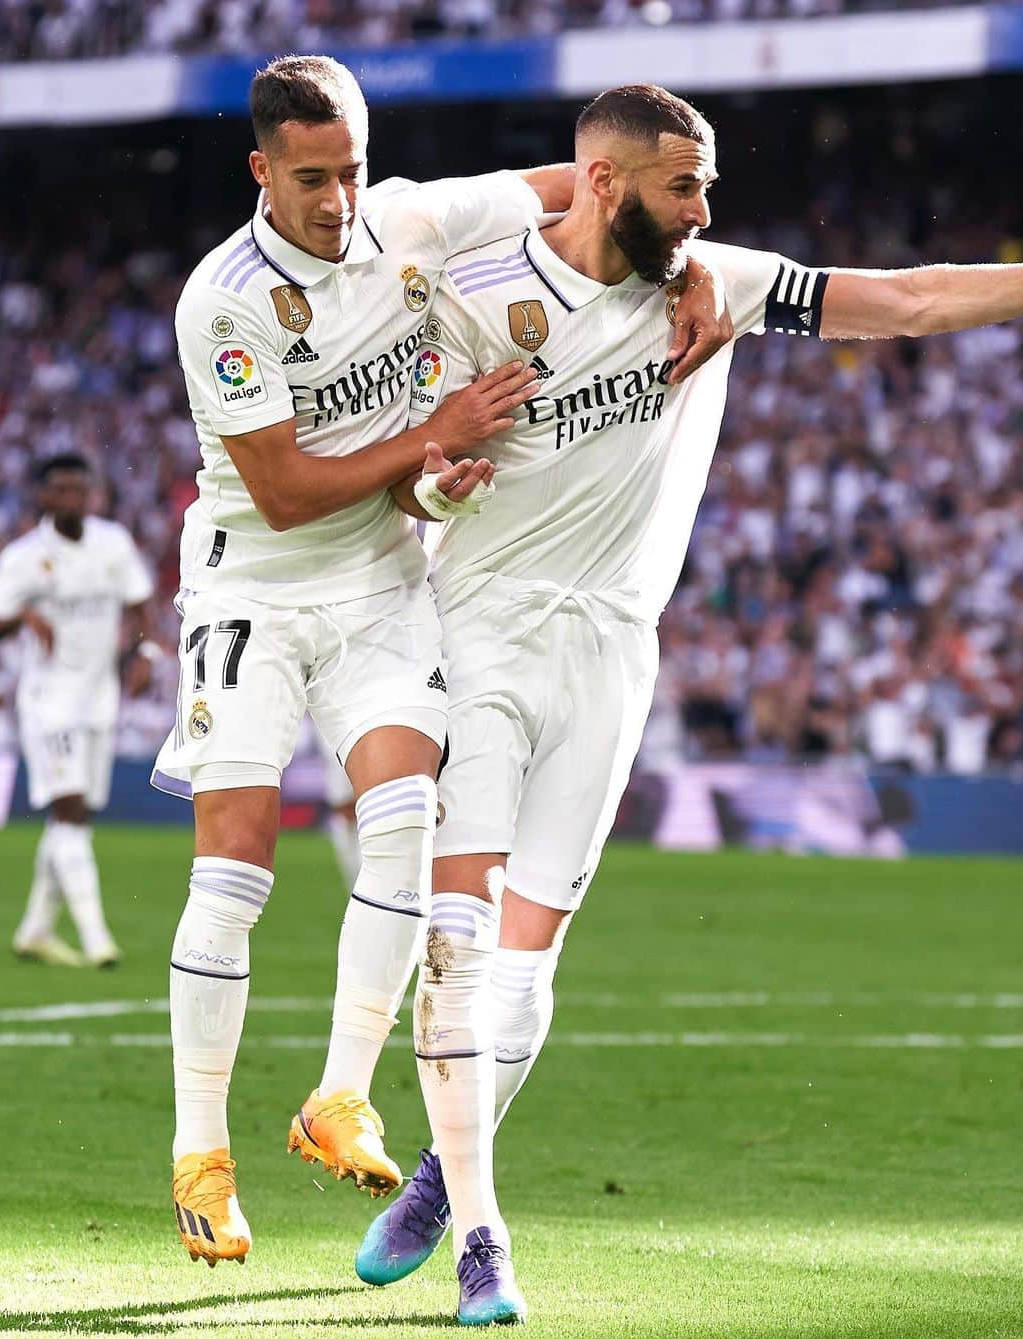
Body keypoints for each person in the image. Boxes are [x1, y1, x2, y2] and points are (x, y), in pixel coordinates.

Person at [355, 83, 1023, 1324]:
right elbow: (409, 493)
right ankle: (485, 1236)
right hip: (484, 641)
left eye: (709, 183)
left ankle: (440, 1178)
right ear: (606, 183)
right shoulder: (475, 300)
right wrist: (439, 477)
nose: (707, 206)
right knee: (457, 939)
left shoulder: (715, 279)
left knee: (529, 955)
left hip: (615, 653)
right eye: (685, 184)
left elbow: (912, 298)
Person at [151, 52, 728, 1273]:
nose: (338, 202)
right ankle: (201, 1153)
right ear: (262, 169)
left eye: (353, 171)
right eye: (312, 179)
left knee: (409, 815)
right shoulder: (225, 300)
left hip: (380, 586)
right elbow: (285, 490)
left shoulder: (406, 220)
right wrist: (435, 435)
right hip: (254, 582)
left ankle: (340, 1095)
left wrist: (694, 267)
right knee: (236, 872)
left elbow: (582, 189)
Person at [0, 453, 156, 968]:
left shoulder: (113, 543)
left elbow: (140, 601)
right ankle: (97, 938)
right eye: (61, 490)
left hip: (100, 697)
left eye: (80, 489)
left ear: (92, 493)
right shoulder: (24, 557)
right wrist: (25, 612)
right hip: (48, 701)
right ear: (44, 497)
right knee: (70, 811)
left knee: (75, 817)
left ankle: (34, 929)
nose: (72, 498)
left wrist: (142, 652)